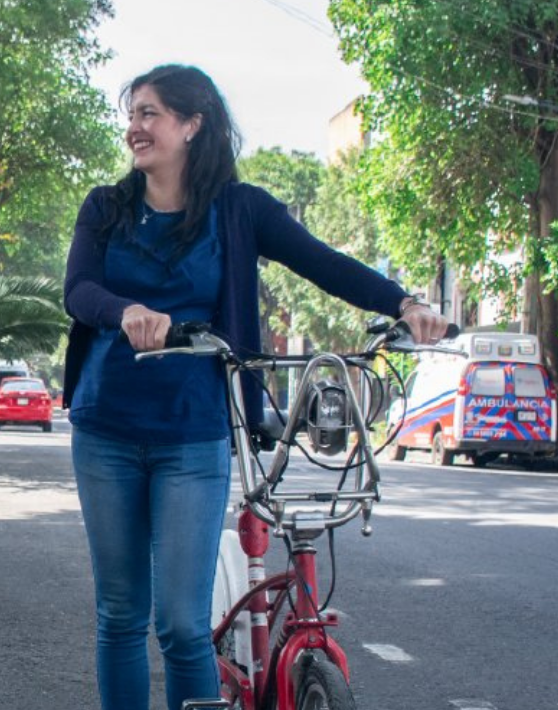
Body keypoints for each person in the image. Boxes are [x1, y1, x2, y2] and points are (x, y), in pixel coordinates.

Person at [62, 64, 448, 710]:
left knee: (183, 624)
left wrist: (404, 303)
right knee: (122, 614)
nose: (135, 127)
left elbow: (324, 263)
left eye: (151, 113)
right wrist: (125, 311)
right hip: (108, 428)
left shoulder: (239, 211)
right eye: (131, 114)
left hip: (195, 433)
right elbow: (79, 290)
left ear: (193, 124)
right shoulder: (106, 208)